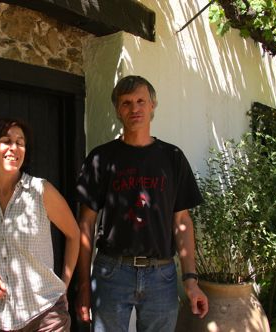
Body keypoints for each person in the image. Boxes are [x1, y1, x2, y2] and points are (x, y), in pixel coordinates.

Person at [75, 76, 209, 331]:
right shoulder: (100, 158)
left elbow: (182, 222)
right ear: (117, 110)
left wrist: (191, 281)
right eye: (126, 103)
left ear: (152, 105)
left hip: (162, 275)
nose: (134, 108)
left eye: (140, 101)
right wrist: (83, 286)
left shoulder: (173, 158)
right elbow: (86, 223)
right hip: (111, 272)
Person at [0, 118, 80, 332]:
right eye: (6, 141)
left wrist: (64, 287)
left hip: (45, 317)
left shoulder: (41, 190)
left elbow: (74, 234)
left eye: (20, 142)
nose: (14, 148)